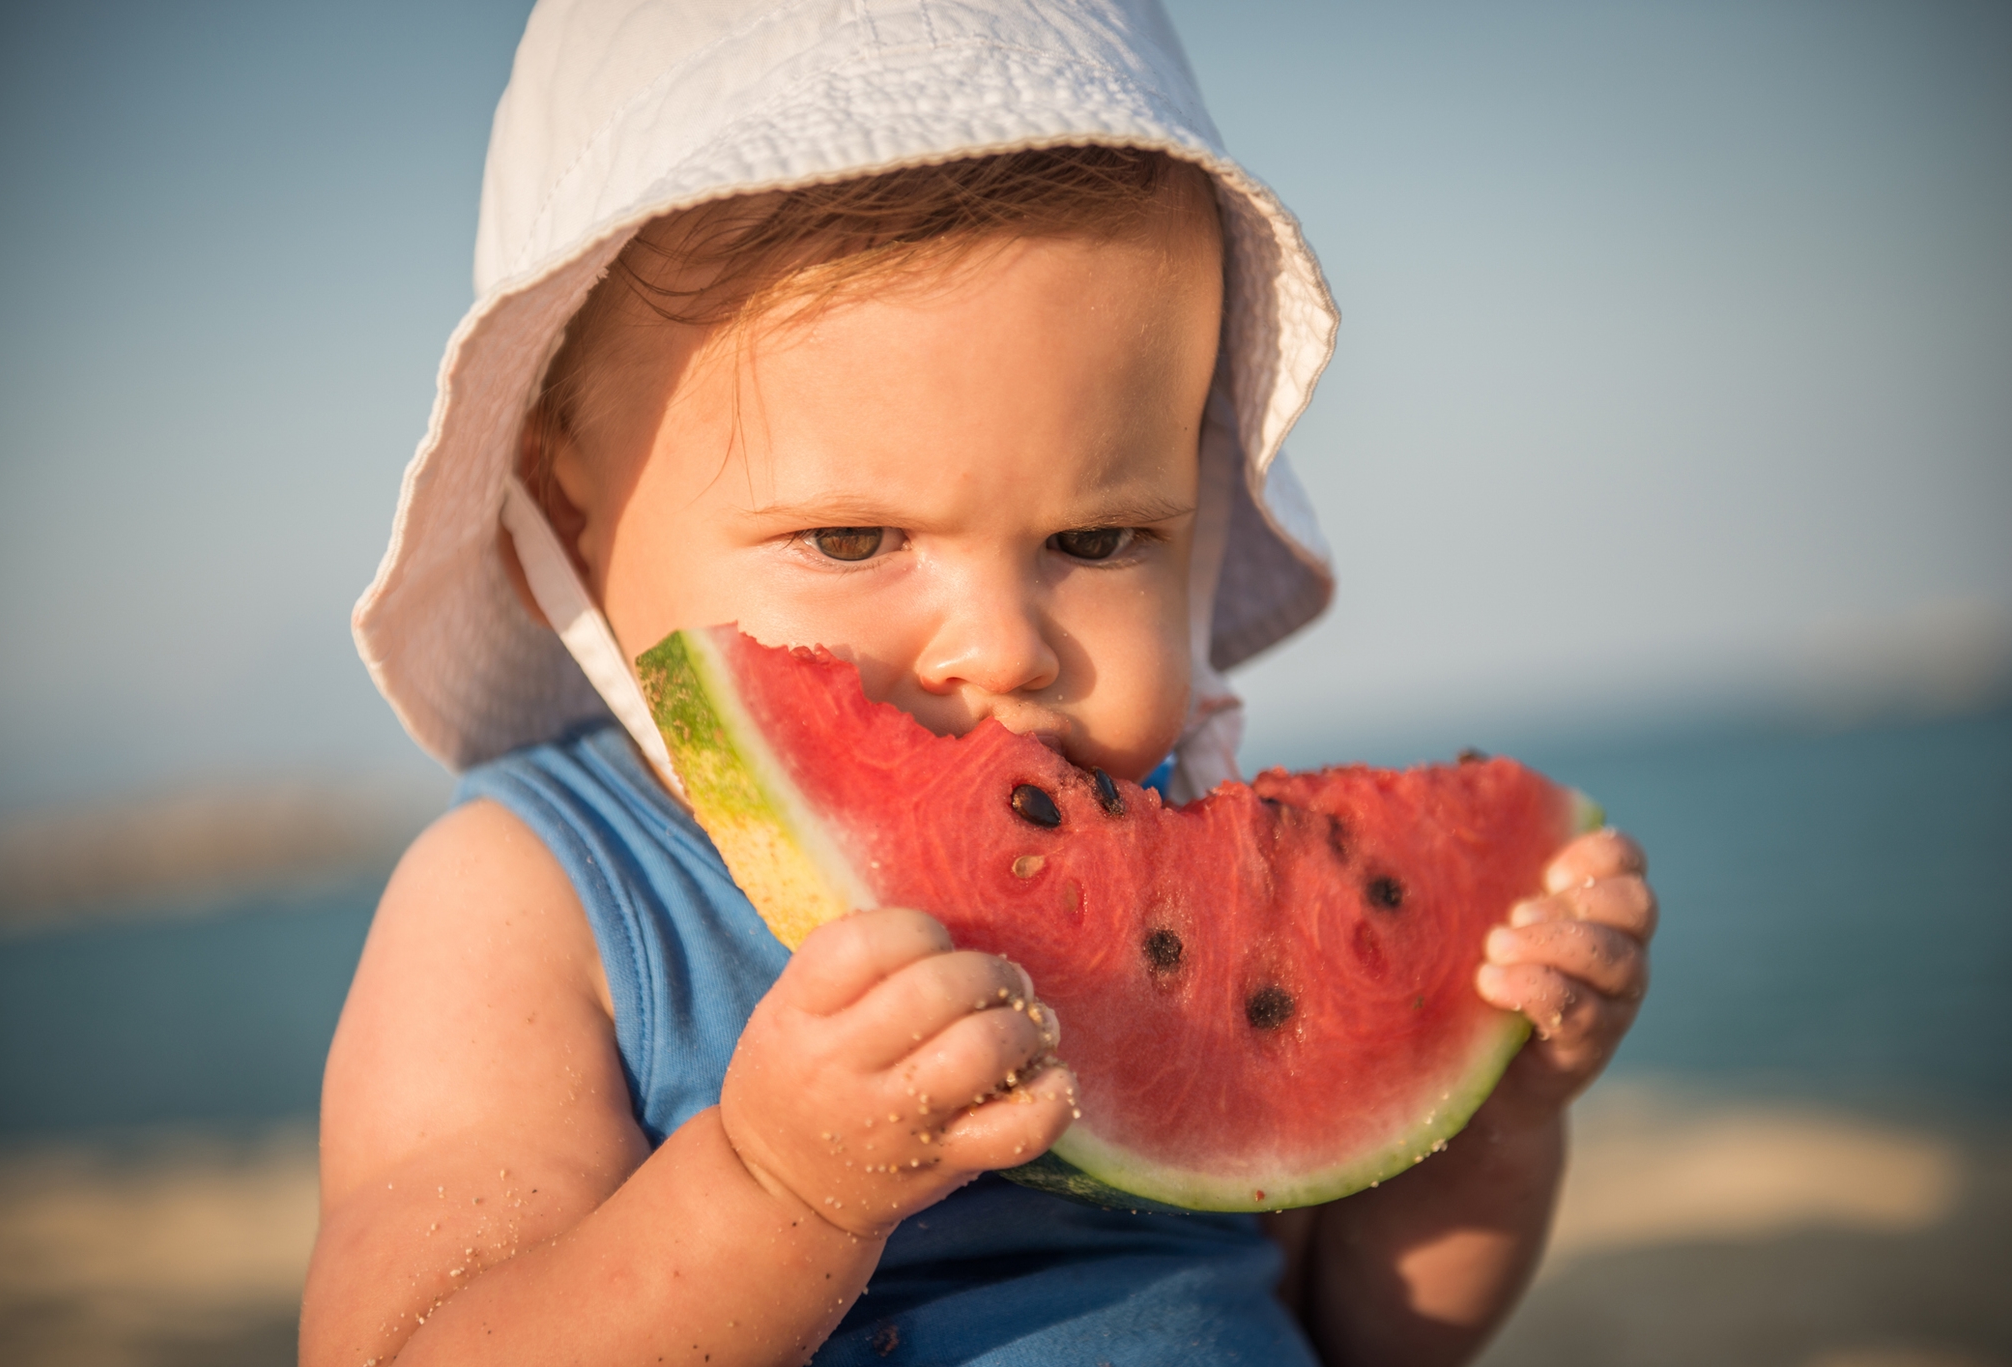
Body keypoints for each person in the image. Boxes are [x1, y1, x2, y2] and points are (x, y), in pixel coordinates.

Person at [307, 2, 1657, 1363]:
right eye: (851, 540)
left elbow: (1364, 1334)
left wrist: (1493, 1121)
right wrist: (772, 1195)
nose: (1004, 649)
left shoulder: (1189, 874)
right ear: (567, 498)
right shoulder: (529, 900)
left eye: (1095, 539)